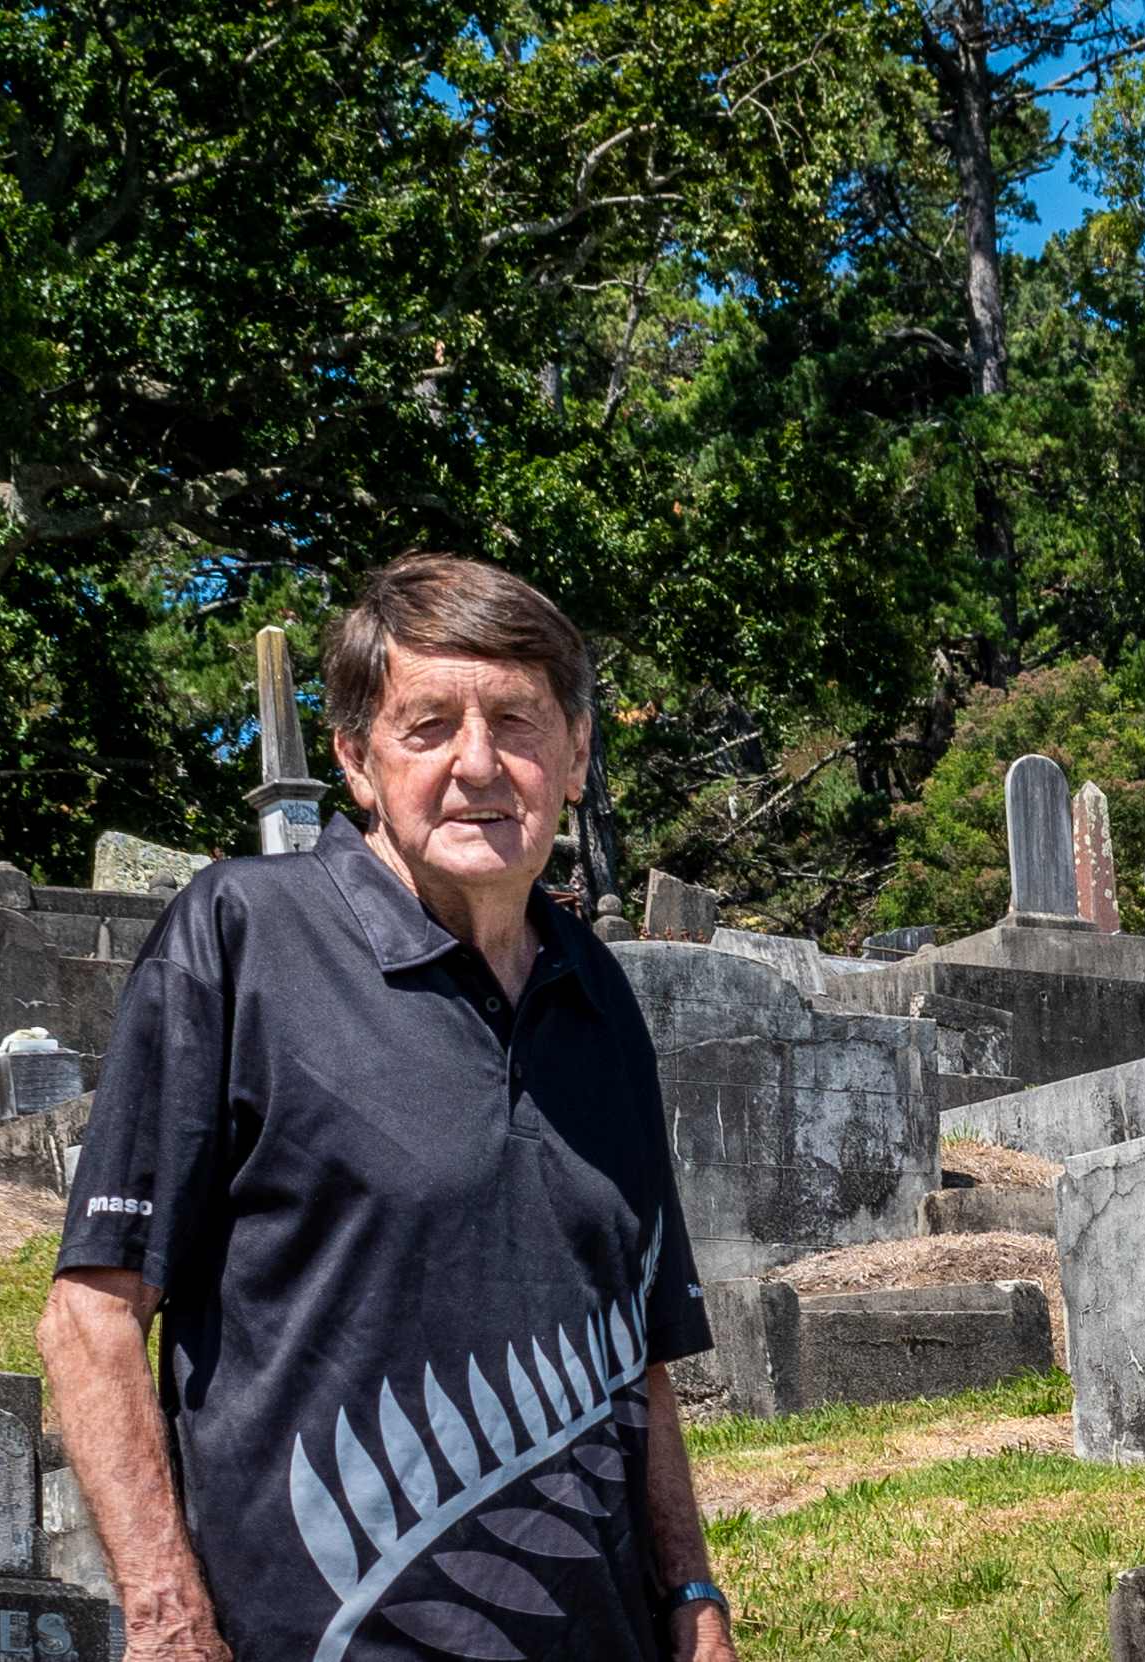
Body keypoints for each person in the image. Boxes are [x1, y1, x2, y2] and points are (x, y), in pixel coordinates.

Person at [39, 554, 738, 1662]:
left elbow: (638, 1349)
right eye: (429, 727)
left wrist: (693, 1600)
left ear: (577, 752)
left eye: (517, 720)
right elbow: (92, 1316)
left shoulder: (600, 995)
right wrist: (169, 1625)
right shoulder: (242, 940)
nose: (479, 764)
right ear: (358, 762)